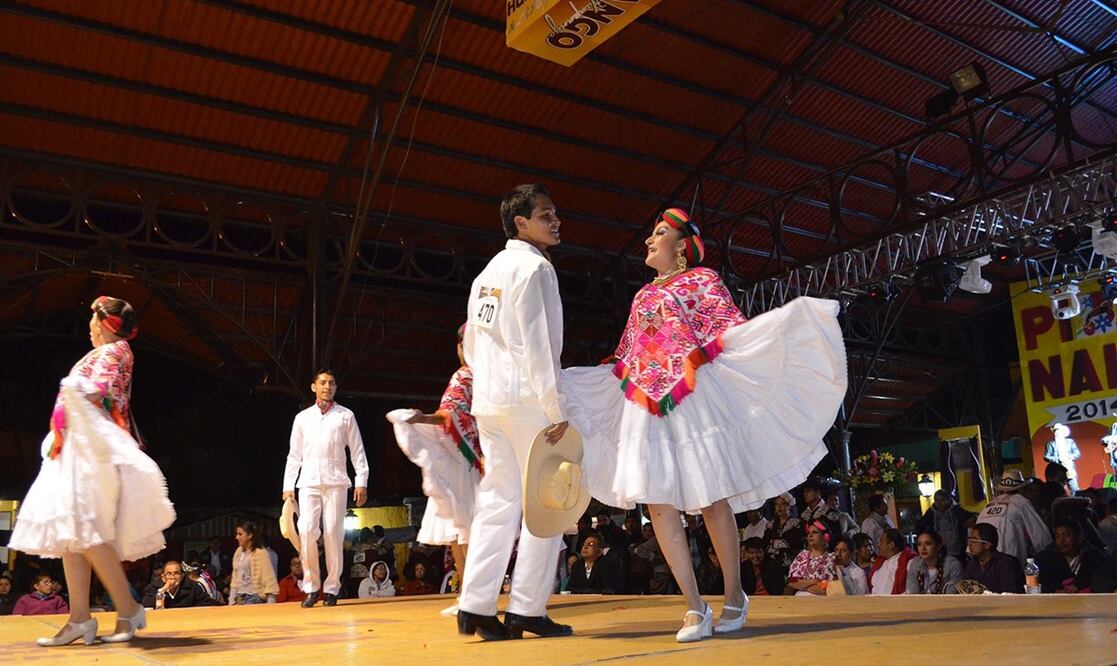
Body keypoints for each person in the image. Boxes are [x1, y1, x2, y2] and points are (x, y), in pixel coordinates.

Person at [564, 208, 845, 642]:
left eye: (659, 233)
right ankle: (694, 605)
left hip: (692, 394)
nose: (648, 241)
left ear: (681, 244)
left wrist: (776, 331)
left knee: (712, 496)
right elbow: (627, 355)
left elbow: (728, 330)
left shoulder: (702, 280)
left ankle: (735, 594)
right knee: (657, 502)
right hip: (646, 399)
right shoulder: (641, 297)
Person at [8, 296, 175, 646]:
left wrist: (72, 388)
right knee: (73, 534)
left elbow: (99, 392)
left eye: (93, 321)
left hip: (94, 449)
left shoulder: (116, 351)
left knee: (86, 529)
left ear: (104, 323)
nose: (89, 326)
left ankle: (129, 607)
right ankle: (80, 618)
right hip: (78, 446)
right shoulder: (104, 353)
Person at [456, 184, 572, 642]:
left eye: (555, 212)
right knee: (548, 502)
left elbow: (470, 343)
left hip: (490, 401)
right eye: (547, 215)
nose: (556, 221)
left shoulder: (487, 273)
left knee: (498, 502)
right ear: (521, 223)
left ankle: (475, 606)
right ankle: (526, 608)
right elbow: (536, 345)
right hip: (528, 402)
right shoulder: (535, 269)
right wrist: (555, 406)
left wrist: (485, 387)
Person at [388, 323, 482, 616]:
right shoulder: (494, 377)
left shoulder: (464, 375)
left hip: (463, 460)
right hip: (481, 458)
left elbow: (447, 416)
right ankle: (471, 594)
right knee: (465, 530)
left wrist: (418, 420)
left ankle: (471, 596)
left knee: (461, 529)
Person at [283, 369, 370, 608]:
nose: (327, 386)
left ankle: (332, 588)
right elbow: (294, 454)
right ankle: (311, 587)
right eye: (322, 382)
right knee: (307, 531)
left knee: (333, 533)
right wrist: (288, 485)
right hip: (309, 481)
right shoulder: (303, 418)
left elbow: (357, 451)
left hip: (336, 482)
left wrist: (361, 480)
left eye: (331, 383)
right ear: (313, 386)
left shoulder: (345, 416)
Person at [977, 471, 1052, 566]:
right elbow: (1042, 539)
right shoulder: (1021, 503)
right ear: (1022, 488)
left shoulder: (989, 505)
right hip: (1010, 562)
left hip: (983, 562)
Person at [1034, 519, 1106, 594]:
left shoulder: (1095, 557)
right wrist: (1055, 591)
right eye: (1057, 536)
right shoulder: (1044, 559)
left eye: (1066, 535)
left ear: (1080, 537)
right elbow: (1040, 584)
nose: (1061, 541)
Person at [960, 523, 1023, 594]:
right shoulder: (972, 564)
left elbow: (1009, 595)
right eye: (969, 540)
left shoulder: (1005, 563)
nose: (969, 544)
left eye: (974, 541)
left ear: (987, 545)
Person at [915, 491, 976, 562]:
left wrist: (973, 518)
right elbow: (919, 527)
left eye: (942, 500)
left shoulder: (957, 511)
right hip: (938, 554)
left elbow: (973, 516)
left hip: (957, 553)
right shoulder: (930, 515)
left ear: (948, 500)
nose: (939, 503)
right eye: (937, 500)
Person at [228, 521, 279, 605]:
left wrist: (271, 602)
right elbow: (235, 578)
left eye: (240, 534)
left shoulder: (260, 553)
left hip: (254, 595)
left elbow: (269, 579)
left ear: (250, 535)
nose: (237, 537)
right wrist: (232, 599)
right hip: (239, 596)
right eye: (237, 534)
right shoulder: (238, 552)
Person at [786, 521, 836, 596]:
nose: (810, 535)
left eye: (815, 532)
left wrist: (803, 584)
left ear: (824, 537)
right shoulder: (802, 556)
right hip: (799, 600)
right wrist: (814, 581)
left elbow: (829, 587)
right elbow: (792, 582)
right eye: (808, 533)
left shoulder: (831, 558)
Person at [141, 560, 218, 609]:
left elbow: (208, 603)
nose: (173, 577)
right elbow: (146, 606)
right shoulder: (152, 588)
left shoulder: (193, 587)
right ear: (163, 577)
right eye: (169, 574)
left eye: (176, 573)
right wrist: (163, 590)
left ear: (181, 576)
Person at [905, 529, 962, 594]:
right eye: (919, 544)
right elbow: (913, 595)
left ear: (938, 546)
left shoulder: (953, 565)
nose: (923, 548)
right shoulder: (915, 564)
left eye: (928, 544)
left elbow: (951, 596)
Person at [869, 529, 916, 595]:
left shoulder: (909, 562)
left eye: (881, 542)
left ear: (891, 544)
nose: (878, 545)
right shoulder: (880, 563)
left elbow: (911, 591)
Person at [766, 494, 804, 574]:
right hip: (772, 564)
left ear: (789, 506)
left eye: (783, 504)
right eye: (777, 504)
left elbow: (797, 544)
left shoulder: (796, 523)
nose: (779, 507)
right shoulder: (771, 525)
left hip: (790, 564)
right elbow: (765, 542)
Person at [1043, 423, 1081, 492]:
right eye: (1055, 431)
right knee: (1060, 489)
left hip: (1069, 468)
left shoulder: (1070, 442)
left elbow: (1077, 453)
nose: (1057, 432)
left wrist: (1069, 457)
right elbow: (1046, 456)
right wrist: (1057, 459)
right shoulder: (1051, 444)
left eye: (1059, 431)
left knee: (1074, 488)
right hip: (1058, 470)